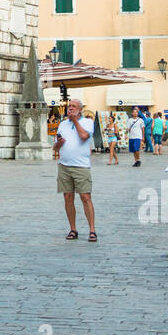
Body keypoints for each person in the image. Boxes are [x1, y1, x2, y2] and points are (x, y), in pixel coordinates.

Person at [53, 98, 97, 241]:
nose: (70, 108)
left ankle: (92, 230)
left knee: (85, 197)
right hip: (64, 165)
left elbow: (84, 136)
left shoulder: (88, 122)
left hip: (81, 166)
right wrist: (58, 144)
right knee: (68, 197)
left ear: (80, 110)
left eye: (73, 106)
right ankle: (73, 229)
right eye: (69, 106)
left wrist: (75, 121)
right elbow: (55, 148)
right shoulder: (62, 124)